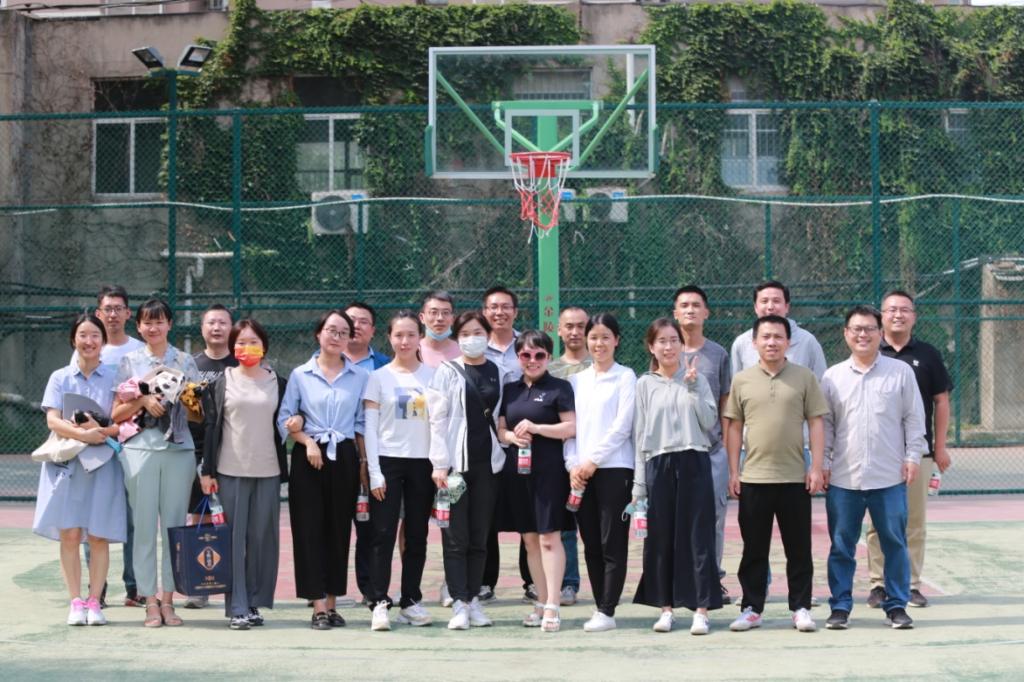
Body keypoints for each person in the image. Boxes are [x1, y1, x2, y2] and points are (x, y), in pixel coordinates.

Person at [820, 305, 928, 631]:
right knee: (842, 546)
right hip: (844, 479)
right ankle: (840, 607)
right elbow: (826, 425)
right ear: (846, 334)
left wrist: (912, 457)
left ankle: (896, 606)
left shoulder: (900, 373)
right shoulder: (832, 377)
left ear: (880, 333)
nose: (863, 334)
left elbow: (913, 419)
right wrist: (823, 462)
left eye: (869, 328)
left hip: (889, 477)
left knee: (894, 543)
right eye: (856, 329)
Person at [724, 315, 828, 634]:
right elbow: (734, 427)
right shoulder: (742, 380)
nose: (772, 342)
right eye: (766, 337)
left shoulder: (804, 377)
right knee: (754, 549)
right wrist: (733, 471)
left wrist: (815, 467)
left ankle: (800, 607)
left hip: (795, 477)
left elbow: (816, 422)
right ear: (754, 342)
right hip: (754, 478)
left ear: (788, 342)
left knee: (799, 549)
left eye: (778, 337)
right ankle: (752, 608)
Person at [111, 298, 200, 628]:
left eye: (159, 321)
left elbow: (198, 414)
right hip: (140, 450)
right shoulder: (129, 361)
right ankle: (149, 600)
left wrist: (182, 398)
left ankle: (168, 601)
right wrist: (144, 399)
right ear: (138, 326)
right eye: (147, 322)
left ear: (170, 324)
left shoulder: (186, 361)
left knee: (175, 528)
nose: (153, 327)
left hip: (179, 451)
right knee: (145, 527)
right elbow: (116, 413)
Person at [278, 309, 369, 630]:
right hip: (309, 457)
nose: (337, 337)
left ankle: (332, 604)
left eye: (344, 332)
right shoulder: (301, 375)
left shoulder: (360, 376)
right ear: (319, 334)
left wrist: (363, 463)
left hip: (344, 456)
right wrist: (307, 442)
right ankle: (316, 605)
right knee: (308, 531)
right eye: (331, 330)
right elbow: (285, 418)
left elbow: (361, 423)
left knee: (338, 531)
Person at [34, 314, 126, 626]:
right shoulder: (60, 377)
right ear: (73, 339)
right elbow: (53, 420)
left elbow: (121, 422)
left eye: (95, 335)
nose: (89, 341)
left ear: (103, 341)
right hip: (67, 465)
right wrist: (83, 435)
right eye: (83, 335)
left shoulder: (115, 377)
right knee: (70, 534)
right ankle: (76, 602)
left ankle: (94, 602)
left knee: (98, 536)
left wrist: (102, 432)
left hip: (103, 465)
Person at [632, 317, 722, 635]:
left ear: (682, 346)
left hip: (694, 461)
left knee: (698, 537)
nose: (668, 347)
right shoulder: (644, 384)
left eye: (674, 340)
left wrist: (694, 387)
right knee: (660, 539)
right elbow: (640, 436)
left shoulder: (696, 379)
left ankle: (701, 610)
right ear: (651, 347)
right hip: (658, 464)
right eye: (662, 341)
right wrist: (639, 484)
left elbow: (709, 421)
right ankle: (666, 609)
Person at [865, 290, 953, 610]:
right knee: (878, 521)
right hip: (879, 453)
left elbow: (941, 401)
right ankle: (878, 584)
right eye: (891, 310)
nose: (898, 315)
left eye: (904, 309)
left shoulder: (927, 354)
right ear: (881, 316)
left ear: (914, 316)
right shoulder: (871, 352)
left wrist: (939, 447)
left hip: (918, 454)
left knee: (914, 521)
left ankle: (911, 584)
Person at [199, 318, 287, 630]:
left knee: (262, 539)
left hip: (268, 470)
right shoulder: (222, 381)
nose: (246, 347)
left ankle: (253, 602)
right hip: (229, 471)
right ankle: (236, 606)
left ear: (264, 346)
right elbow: (211, 427)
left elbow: (288, 418)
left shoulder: (279, 382)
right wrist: (207, 471)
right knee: (233, 541)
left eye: (253, 342)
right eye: (240, 342)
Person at [426, 311, 506, 631]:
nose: (473, 338)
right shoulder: (446, 371)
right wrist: (439, 464)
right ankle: (458, 601)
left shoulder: (499, 371)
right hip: (455, 469)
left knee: (479, 537)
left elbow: (500, 417)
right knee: (455, 538)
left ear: (487, 335)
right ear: (457, 338)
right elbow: (436, 420)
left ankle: (473, 600)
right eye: (466, 333)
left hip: (489, 466)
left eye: (478, 332)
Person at [498, 330, 576, 633]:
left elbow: (570, 427)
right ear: (518, 357)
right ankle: (541, 603)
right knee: (529, 540)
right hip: (517, 473)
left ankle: (554, 604)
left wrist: (537, 428)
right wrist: (511, 436)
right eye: (526, 355)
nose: (532, 360)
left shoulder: (560, 387)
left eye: (539, 355)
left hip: (550, 474)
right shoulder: (510, 389)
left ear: (548, 357)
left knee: (549, 538)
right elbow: (501, 429)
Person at [364, 312, 436, 631]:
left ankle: (410, 601)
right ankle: (379, 601)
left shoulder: (434, 376)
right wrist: (375, 472)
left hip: (424, 463)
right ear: (389, 338)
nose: (404, 341)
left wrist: (441, 465)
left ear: (420, 337)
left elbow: (441, 424)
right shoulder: (378, 377)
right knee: (382, 534)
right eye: (398, 335)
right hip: (388, 461)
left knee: (417, 535)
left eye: (410, 335)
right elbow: (370, 428)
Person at [73, 285, 144, 608]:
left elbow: (142, 399)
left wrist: (119, 427)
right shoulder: (86, 350)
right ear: (98, 313)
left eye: (118, 308)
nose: (113, 314)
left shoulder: (139, 352)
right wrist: (92, 430)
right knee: (93, 518)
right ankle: (96, 590)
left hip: (131, 445)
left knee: (133, 517)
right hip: (93, 447)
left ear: (128, 313)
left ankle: (135, 586)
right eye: (107, 309)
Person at [564, 313, 636, 632]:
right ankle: (599, 606)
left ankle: (608, 609)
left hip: (614, 469)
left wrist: (592, 461)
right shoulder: (577, 381)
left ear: (617, 340)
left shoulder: (626, 377)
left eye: (606, 337)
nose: (599, 343)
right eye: (594, 337)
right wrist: (572, 466)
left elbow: (622, 426)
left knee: (612, 543)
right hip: (581, 474)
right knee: (591, 543)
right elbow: (571, 429)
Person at [522, 306, 587, 607]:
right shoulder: (550, 369)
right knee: (557, 531)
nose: (575, 332)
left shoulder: (600, 365)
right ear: (559, 330)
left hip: (595, 458)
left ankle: (602, 594)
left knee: (594, 530)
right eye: (568, 326)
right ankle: (563, 586)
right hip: (560, 461)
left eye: (581, 326)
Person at [673, 285, 732, 601]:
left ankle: (712, 580)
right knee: (677, 519)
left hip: (711, 452)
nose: (690, 310)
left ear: (706, 312)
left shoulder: (718, 354)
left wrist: (724, 448)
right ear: (675, 313)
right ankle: (682, 582)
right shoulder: (665, 350)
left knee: (714, 519)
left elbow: (725, 404)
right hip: (675, 452)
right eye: (684, 305)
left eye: (696, 305)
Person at [184, 303, 237, 610]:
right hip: (197, 451)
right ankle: (199, 585)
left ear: (232, 328)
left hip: (233, 450)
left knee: (232, 517)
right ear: (202, 328)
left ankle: (234, 584)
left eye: (222, 323)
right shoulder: (190, 365)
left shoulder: (239, 363)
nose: (216, 328)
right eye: (211, 323)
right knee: (198, 515)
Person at [344, 301, 390, 606]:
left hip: (372, 456)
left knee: (370, 527)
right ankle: (324, 589)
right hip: (334, 454)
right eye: (350, 321)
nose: (356, 326)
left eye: (363, 321)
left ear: (373, 331)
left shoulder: (385, 366)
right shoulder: (321, 362)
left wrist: (367, 460)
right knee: (330, 524)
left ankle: (369, 588)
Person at [479, 285, 520, 603]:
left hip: (523, 442)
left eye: (505, 307)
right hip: (484, 443)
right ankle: (484, 581)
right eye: (493, 307)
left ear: (515, 312)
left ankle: (532, 581)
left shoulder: (527, 345)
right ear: (485, 312)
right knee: (485, 514)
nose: (499, 312)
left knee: (527, 512)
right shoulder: (475, 347)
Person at [730, 280, 827, 379]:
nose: (770, 307)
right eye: (764, 301)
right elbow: (736, 384)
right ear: (756, 307)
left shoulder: (807, 341)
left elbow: (820, 382)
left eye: (776, 301)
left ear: (786, 307)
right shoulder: (741, 343)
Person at [419, 290, 461, 368]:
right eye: (433, 312)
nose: (440, 318)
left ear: (453, 319)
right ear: (422, 318)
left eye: (446, 313)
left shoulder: (462, 351)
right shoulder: (412, 350)